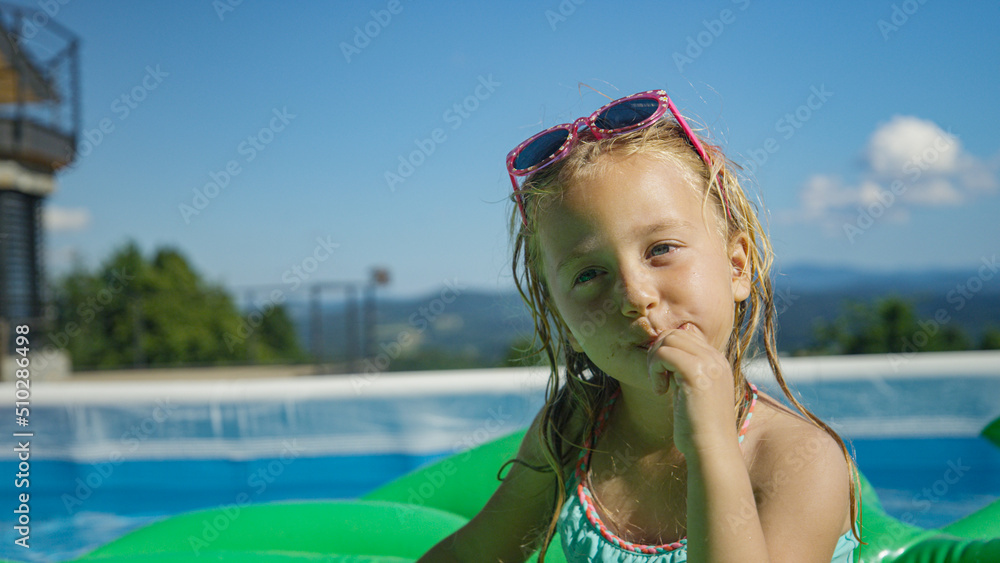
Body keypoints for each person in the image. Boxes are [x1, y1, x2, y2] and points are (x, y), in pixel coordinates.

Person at [418, 89, 861, 562]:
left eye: (661, 249)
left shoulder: (798, 461)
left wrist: (711, 445)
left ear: (737, 267)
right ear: (563, 320)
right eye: (588, 275)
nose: (634, 296)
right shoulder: (574, 431)